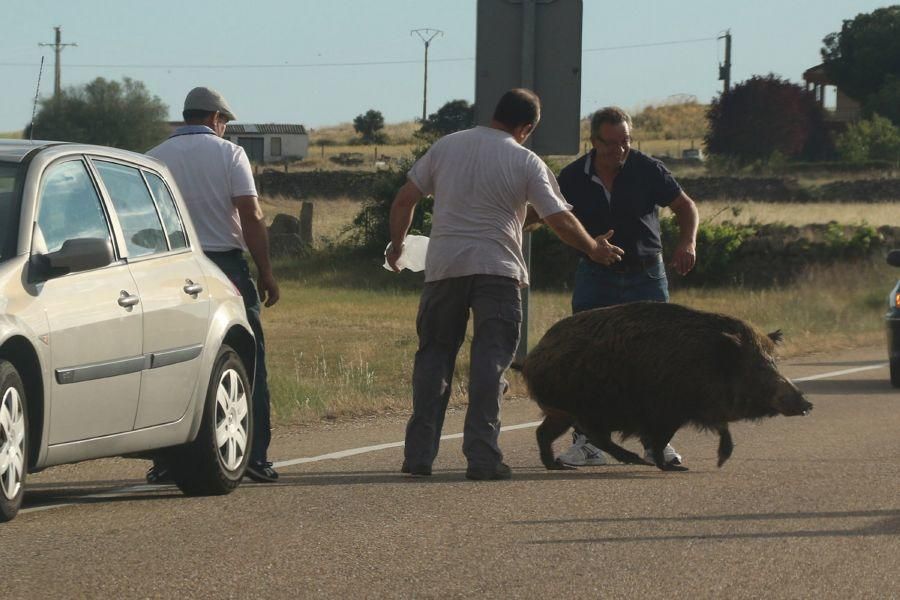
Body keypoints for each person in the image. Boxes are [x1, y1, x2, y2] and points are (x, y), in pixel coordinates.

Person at [387, 88, 623, 481]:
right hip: (498, 270)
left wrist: (397, 245)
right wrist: (592, 248)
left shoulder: (447, 147)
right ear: (526, 128)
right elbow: (558, 218)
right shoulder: (525, 160)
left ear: (494, 114)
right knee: (489, 363)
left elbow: (403, 200)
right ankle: (482, 457)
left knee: (433, 359)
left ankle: (418, 456)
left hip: (444, 268)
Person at [146, 86, 281, 483]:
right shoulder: (230, 154)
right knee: (245, 358)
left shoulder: (153, 159)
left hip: (168, 266)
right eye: (224, 123)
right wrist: (266, 271)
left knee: (174, 360)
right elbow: (251, 214)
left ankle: (166, 460)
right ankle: (253, 454)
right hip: (223, 264)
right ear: (215, 119)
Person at [554, 106, 699, 467]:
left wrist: (687, 242)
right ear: (594, 141)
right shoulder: (572, 176)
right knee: (586, 361)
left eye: (626, 141)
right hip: (596, 277)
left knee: (657, 363)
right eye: (612, 143)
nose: (620, 150)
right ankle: (587, 441)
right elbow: (548, 216)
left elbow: (685, 206)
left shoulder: (647, 169)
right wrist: (588, 245)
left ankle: (657, 443)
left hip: (646, 276)